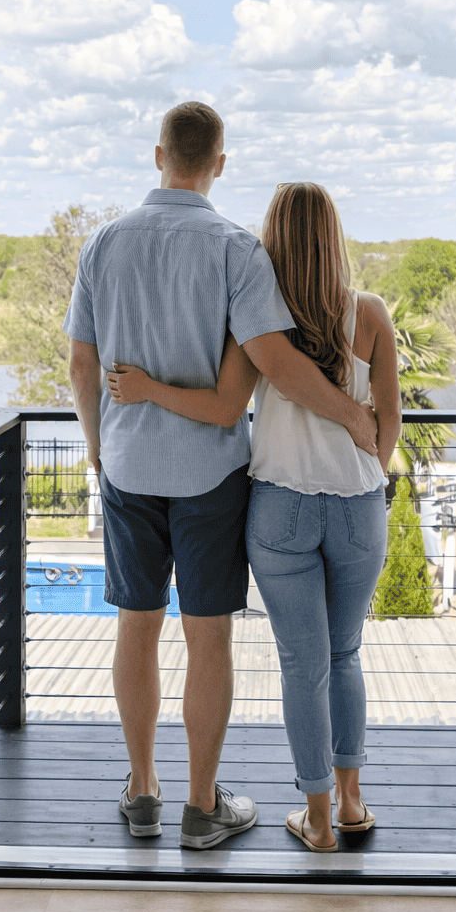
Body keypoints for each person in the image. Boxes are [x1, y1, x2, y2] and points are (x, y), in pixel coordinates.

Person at [63, 107, 378, 850]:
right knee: (209, 641)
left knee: (136, 627)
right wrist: (354, 419)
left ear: (158, 155)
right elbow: (271, 358)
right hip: (211, 473)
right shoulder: (238, 250)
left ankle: (143, 791)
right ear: (221, 164)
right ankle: (203, 807)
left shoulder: (103, 243)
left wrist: (98, 448)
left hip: (129, 466)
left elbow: (82, 364)